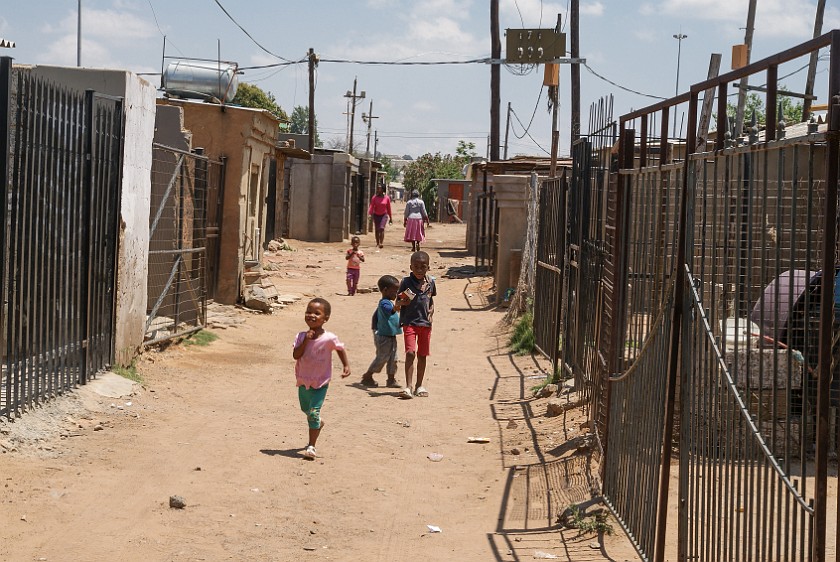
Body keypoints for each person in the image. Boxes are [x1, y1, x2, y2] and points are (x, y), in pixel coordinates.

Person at [292, 298, 351, 459]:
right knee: (306, 409)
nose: (311, 315)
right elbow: (296, 355)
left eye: (316, 313)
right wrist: (306, 340)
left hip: (321, 381)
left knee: (313, 412)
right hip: (303, 380)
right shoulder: (300, 336)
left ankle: (311, 446)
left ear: (326, 318)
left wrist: (346, 365)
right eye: (308, 312)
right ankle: (318, 422)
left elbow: (339, 348)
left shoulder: (329, 337)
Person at [397, 251, 436, 399]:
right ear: (411, 267)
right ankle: (408, 386)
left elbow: (430, 301)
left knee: (422, 355)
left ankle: (419, 385)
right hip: (409, 323)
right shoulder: (406, 282)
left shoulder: (431, 282)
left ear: (428, 267)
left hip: (425, 324)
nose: (419, 270)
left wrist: (431, 312)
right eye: (416, 266)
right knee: (410, 353)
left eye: (423, 267)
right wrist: (401, 303)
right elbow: (398, 303)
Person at [360, 275, 403, 388]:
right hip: (383, 335)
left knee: (393, 358)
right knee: (382, 356)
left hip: (390, 334)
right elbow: (389, 310)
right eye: (394, 291)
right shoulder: (384, 303)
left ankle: (391, 379)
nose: (396, 293)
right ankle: (368, 376)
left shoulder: (388, 302)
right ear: (385, 290)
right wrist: (396, 306)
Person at [368, 184, 393, 249]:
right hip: (376, 215)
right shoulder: (374, 197)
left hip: (384, 215)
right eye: (377, 188)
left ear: (383, 189)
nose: (378, 190)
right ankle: (377, 243)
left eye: (379, 188)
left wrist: (391, 218)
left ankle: (381, 243)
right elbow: (371, 206)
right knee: (377, 229)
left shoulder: (386, 198)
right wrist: (370, 214)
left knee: (381, 228)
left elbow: (389, 208)